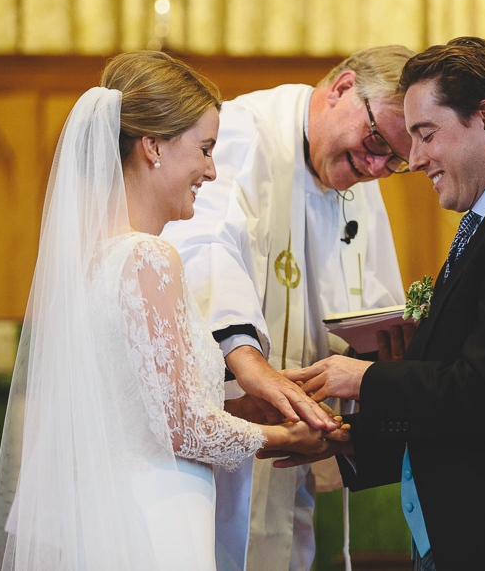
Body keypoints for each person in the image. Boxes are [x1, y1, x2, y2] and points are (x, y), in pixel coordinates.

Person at [0, 51, 343, 571]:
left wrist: (244, 408)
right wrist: (289, 436)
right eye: (204, 149)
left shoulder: (90, 261)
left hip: (110, 514)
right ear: (152, 147)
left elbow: (137, 413)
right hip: (152, 521)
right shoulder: (148, 257)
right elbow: (180, 428)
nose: (212, 171)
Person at [277, 37, 485, 570]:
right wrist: (342, 439)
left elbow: (482, 392)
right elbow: (458, 395)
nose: (414, 159)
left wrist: (359, 381)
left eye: (425, 135)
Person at [160, 45, 415, 570]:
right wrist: (252, 366)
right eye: (374, 143)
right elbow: (206, 244)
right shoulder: (243, 130)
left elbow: (372, 297)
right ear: (343, 88)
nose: (375, 166)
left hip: (296, 438)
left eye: (397, 161)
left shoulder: (359, 179)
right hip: (231, 420)